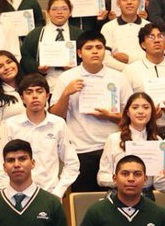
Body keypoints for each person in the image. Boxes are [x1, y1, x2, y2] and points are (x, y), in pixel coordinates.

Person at [49, 32, 130, 192]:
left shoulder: (119, 78)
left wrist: (110, 116)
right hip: (80, 149)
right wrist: (66, 94)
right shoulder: (67, 78)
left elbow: (132, 118)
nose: (95, 51)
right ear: (79, 53)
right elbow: (55, 117)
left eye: (99, 47)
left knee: (116, 201)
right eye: (89, 48)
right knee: (84, 201)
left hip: (113, 148)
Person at [0, 76, 80, 197]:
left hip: (49, 193)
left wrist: (58, 192)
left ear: (47, 96)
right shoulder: (11, 125)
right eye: (29, 92)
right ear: (22, 98)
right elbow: (1, 164)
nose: (34, 96)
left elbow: (72, 163)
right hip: (18, 195)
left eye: (39, 91)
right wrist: (5, 195)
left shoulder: (58, 124)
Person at [96, 92, 165, 188]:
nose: (141, 111)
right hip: (118, 194)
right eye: (135, 107)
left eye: (146, 107)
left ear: (152, 112)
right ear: (128, 113)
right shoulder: (114, 139)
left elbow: (159, 180)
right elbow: (102, 177)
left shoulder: (158, 141)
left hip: (146, 195)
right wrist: (124, 181)